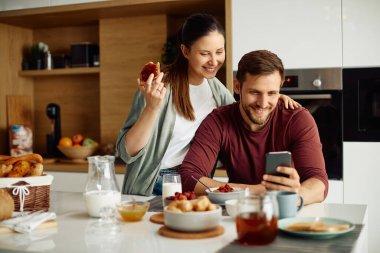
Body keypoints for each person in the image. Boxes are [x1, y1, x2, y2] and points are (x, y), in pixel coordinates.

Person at [116, 14, 299, 196]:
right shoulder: (158, 87)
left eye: (219, 52)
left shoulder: (217, 91)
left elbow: (242, 115)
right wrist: (152, 108)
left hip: (194, 184)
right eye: (204, 53)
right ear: (185, 51)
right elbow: (126, 152)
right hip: (153, 184)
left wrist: (270, 95)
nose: (213, 61)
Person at [179, 50, 328, 205]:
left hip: (286, 213)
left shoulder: (298, 119)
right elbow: (189, 178)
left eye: (272, 93)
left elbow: (318, 181)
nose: (263, 103)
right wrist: (258, 191)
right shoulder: (218, 121)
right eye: (254, 92)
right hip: (238, 212)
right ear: (237, 87)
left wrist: (295, 197)